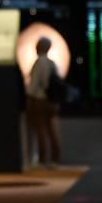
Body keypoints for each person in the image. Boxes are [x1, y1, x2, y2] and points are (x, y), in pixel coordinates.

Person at [25, 37, 61, 168]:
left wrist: (29, 100)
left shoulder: (39, 63)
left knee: (41, 131)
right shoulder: (53, 64)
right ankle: (55, 159)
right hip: (53, 101)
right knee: (53, 131)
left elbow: (33, 85)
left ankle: (42, 160)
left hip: (40, 101)